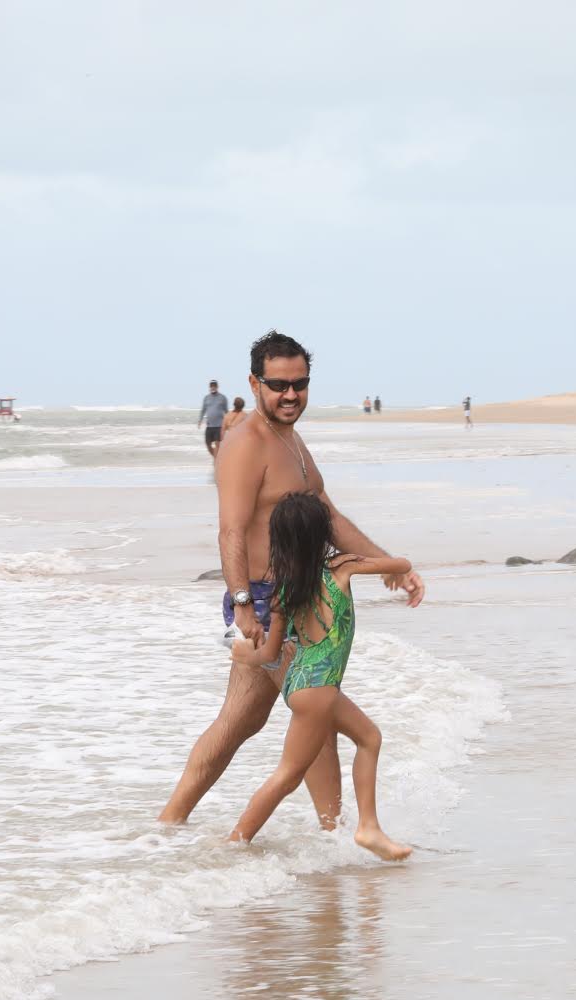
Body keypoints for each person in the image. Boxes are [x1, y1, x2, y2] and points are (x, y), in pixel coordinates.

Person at [159, 330, 425, 828]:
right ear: (254, 383)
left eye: (299, 384)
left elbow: (328, 516)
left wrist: (392, 565)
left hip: (293, 599)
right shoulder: (245, 444)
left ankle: (168, 824)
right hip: (264, 602)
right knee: (315, 712)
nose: (290, 395)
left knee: (241, 721)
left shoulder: (291, 438)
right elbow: (231, 529)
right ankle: (337, 836)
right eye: (278, 385)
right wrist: (241, 604)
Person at [228, 492, 413, 861]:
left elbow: (270, 655)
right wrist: (395, 569)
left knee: (369, 738)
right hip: (318, 691)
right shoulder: (340, 567)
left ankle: (369, 827)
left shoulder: (283, 591)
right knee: (288, 775)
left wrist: (245, 651)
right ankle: (234, 842)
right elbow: (401, 562)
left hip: (302, 686)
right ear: (323, 534)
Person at [198, 379, 229, 457]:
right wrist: (200, 420)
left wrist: (228, 422)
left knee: (217, 444)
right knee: (208, 444)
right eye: (211, 386)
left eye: (214, 386)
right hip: (209, 426)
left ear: (217, 387)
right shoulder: (206, 398)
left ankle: (217, 460)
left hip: (219, 426)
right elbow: (203, 410)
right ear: (210, 387)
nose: (213, 388)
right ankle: (216, 457)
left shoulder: (222, 398)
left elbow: (226, 411)